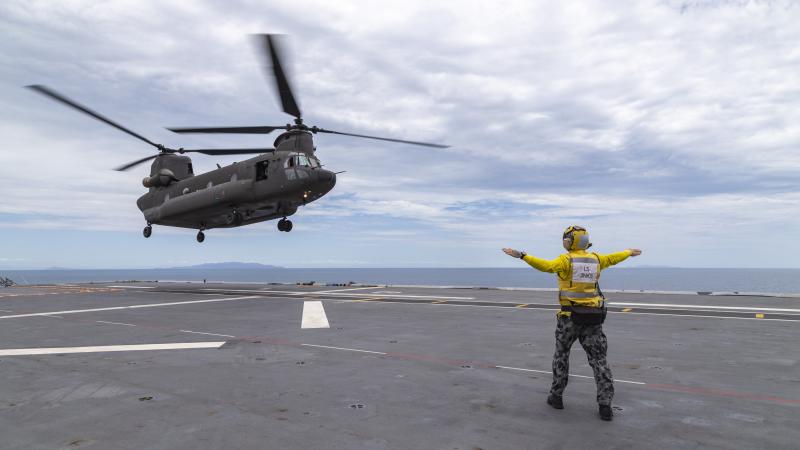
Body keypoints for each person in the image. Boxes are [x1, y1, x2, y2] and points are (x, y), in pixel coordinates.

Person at [502, 225, 641, 421]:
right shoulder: (596, 259)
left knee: (561, 357)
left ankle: (556, 397)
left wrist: (522, 255)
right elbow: (613, 258)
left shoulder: (565, 260)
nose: (564, 241)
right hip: (593, 319)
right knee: (599, 361)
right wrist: (628, 252)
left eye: (566, 238)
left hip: (569, 319)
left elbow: (545, 266)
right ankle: (605, 405)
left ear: (571, 241)